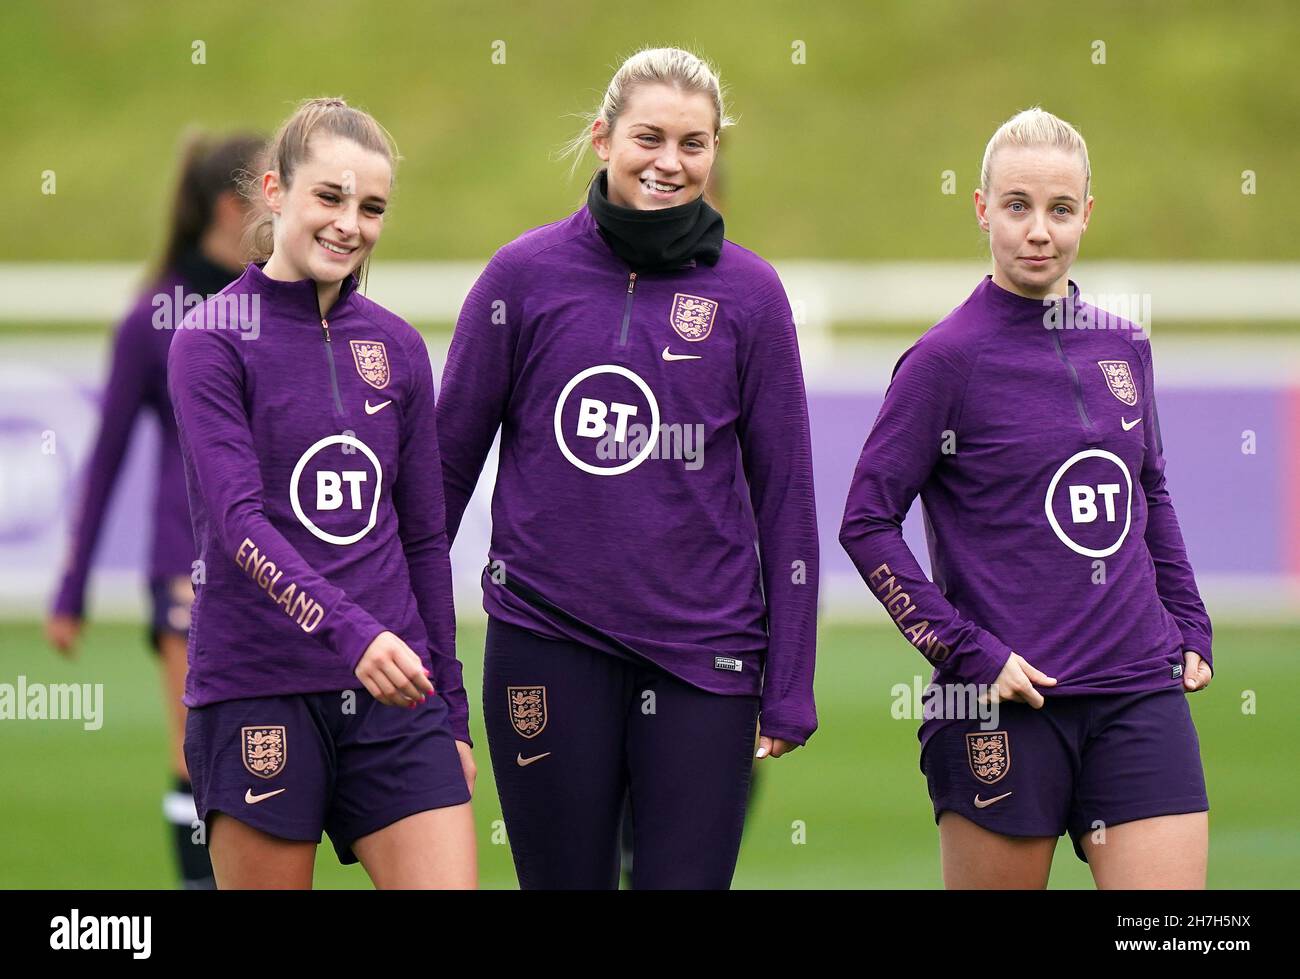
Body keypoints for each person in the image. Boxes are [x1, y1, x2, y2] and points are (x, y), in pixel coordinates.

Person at [437, 47, 819, 889]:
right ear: (605, 138)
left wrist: (789, 680)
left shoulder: (751, 297)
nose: (670, 162)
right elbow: (436, 490)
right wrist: (426, 660)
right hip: (546, 642)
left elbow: (785, 502)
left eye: (694, 143)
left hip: (706, 659)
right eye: (650, 137)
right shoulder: (521, 279)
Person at [839, 107, 1213, 889]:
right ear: (982, 209)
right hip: (1005, 707)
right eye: (1017, 206)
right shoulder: (944, 360)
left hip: (1137, 692)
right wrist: (968, 652)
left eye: (1060, 209)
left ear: (1086, 213)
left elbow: (1149, 488)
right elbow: (866, 523)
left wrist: (1190, 618)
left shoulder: (1124, 344)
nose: (1038, 230)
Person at [168, 97, 475, 888]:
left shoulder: (399, 347)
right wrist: (351, 633)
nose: (350, 223)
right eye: (330, 197)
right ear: (275, 192)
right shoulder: (210, 339)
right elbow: (239, 523)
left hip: (396, 695)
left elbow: (421, 542)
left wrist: (455, 710)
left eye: (371, 207)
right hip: (260, 687)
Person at [47, 131, 263, 889]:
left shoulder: (281, 305)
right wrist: (72, 588)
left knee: (264, 748)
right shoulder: (152, 321)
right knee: (193, 749)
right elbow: (103, 460)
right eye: (272, 192)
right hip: (186, 560)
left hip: (275, 561)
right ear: (234, 205)